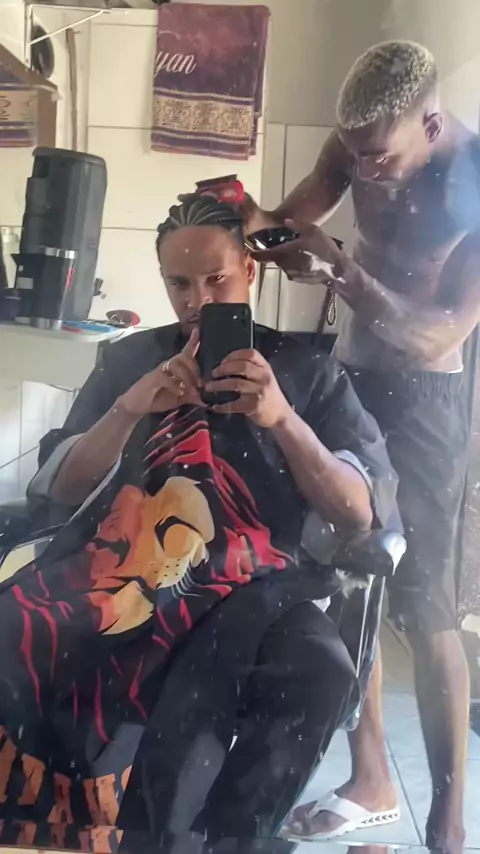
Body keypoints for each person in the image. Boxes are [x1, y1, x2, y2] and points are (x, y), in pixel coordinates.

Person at [0, 194, 397, 849]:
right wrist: (129, 409)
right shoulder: (128, 362)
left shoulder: (307, 372)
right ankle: (61, 831)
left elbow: (359, 509)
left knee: (317, 674)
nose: (198, 300)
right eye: (180, 284)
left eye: (217, 279)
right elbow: (62, 491)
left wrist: (283, 419)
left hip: (262, 583)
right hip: (122, 569)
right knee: (13, 635)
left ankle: (230, 839)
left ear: (250, 271)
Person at [243, 39, 480, 854]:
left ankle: (448, 825)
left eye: (381, 158)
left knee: (425, 603)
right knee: (348, 576)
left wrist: (340, 272)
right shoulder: (354, 144)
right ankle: (372, 778)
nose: (366, 173)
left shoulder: (474, 181)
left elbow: (440, 335)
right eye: (356, 157)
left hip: (428, 400)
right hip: (350, 376)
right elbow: (288, 218)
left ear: (432, 124)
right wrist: (246, 221)